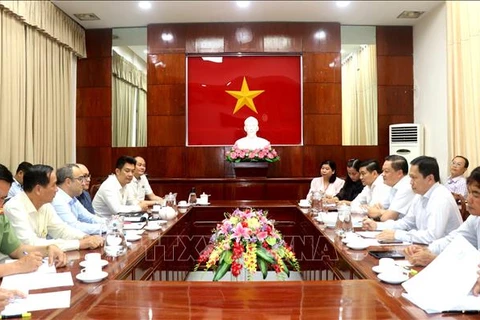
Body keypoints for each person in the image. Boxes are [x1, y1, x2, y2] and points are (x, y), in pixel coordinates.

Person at [363, 156, 463, 244]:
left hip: (445, 254)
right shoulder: (419, 195)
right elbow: (406, 223)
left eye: (414, 178)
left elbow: (432, 236)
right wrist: (377, 226)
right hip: (426, 248)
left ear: (430, 179)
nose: (410, 182)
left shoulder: (441, 197)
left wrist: (397, 235)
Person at [4, 164, 104, 251]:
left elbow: (61, 229)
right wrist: (79, 244)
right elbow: (31, 243)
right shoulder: (14, 207)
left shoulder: (45, 204)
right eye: (53, 185)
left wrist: (84, 237)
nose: (57, 190)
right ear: (38, 189)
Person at [405, 166, 480, 266]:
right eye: (469, 192)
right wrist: (426, 250)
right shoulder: (475, 218)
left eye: (476, 194)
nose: (469, 199)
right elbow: (453, 240)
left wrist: (436, 260)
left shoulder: (441, 196)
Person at [0, 164, 67, 276]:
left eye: (2, 198)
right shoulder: (14, 206)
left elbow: (17, 250)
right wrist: (17, 266)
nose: (1, 203)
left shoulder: (1, 217)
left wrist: (47, 249)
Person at [52, 164, 106, 235]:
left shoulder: (72, 198)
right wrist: (104, 228)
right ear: (68, 182)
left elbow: (89, 218)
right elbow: (74, 227)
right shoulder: (57, 199)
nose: (83, 183)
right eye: (80, 179)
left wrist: (111, 223)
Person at [367, 155, 415, 221]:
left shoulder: (406, 187)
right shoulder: (393, 186)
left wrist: (380, 212)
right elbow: (372, 210)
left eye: (386, 171)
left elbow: (387, 218)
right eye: (382, 171)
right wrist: (382, 212)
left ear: (399, 173)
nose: (382, 174)